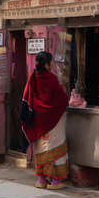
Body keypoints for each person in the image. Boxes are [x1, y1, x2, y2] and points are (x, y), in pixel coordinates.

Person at [22, 51, 69, 190]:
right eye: (51, 63)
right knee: (55, 146)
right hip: (52, 120)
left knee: (41, 147)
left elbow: (27, 97)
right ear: (48, 64)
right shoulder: (52, 79)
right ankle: (55, 181)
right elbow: (62, 98)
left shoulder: (32, 78)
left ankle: (41, 180)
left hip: (38, 119)